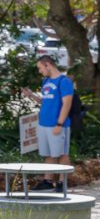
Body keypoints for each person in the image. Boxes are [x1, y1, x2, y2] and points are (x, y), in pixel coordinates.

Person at [23, 54, 73, 191]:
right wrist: (31, 96)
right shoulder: (46, 81)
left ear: (48, 65)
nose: (40, 71)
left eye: (40, 68)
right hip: (43, 124)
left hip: (57, 125)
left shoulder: (64, 81)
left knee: (62, 154)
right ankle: (48, 181)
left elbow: (66, 104)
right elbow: (45, 101)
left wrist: (59, 124)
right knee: (48, 154)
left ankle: (62, 183)